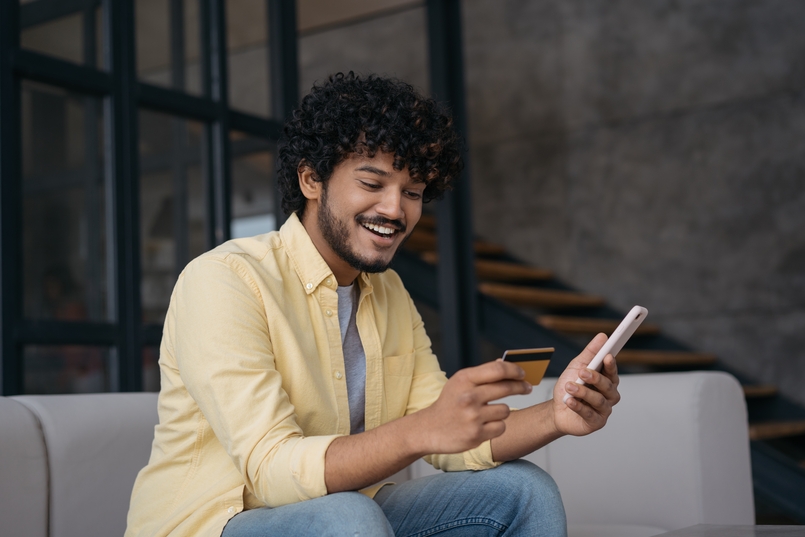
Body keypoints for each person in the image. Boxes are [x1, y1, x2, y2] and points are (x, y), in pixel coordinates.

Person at [125, 72, 621, 537]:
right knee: (349, 515)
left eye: (412, 192)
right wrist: (418, 432)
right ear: (311, 180)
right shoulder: (225, 280)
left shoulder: (389, 294)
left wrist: (555, 416)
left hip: (348, 516)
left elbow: (450, 435)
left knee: (522, 491)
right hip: (213, 522)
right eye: (372, 183)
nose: (394, 209)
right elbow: (272, 471)